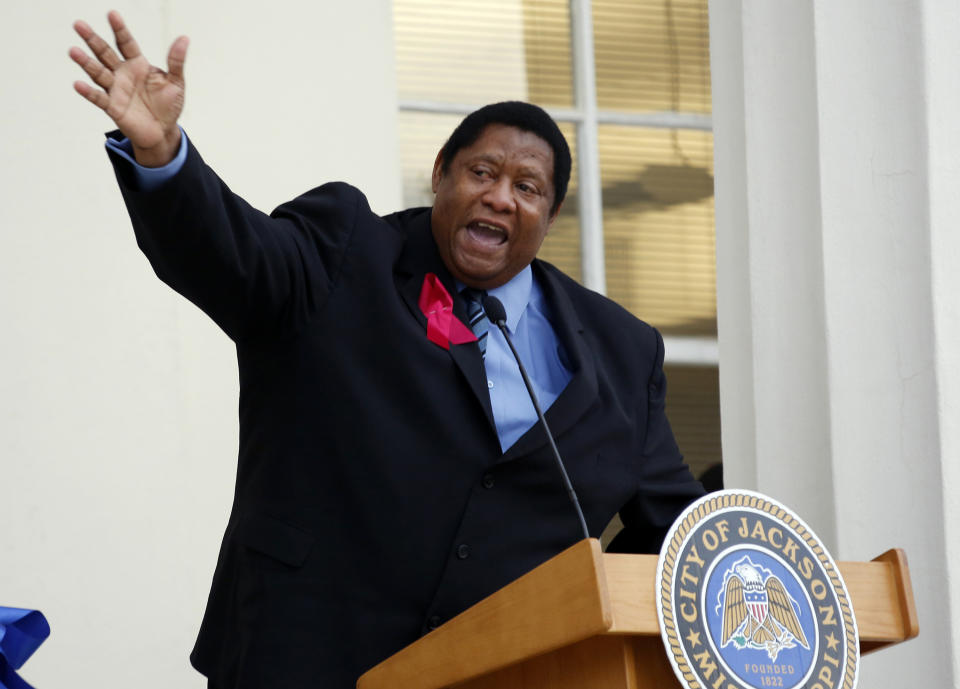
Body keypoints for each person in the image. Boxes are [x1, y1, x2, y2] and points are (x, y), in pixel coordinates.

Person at [70, 12, 705, 689]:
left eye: (527, 187)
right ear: (439, 174)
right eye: (481, 171)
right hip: (304, 661)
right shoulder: (346, 252)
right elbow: (235, 258)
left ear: (549, 216)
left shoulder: (622, 350)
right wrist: (164, 158)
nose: (499, 195)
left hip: (499, 673)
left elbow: (671, 543)